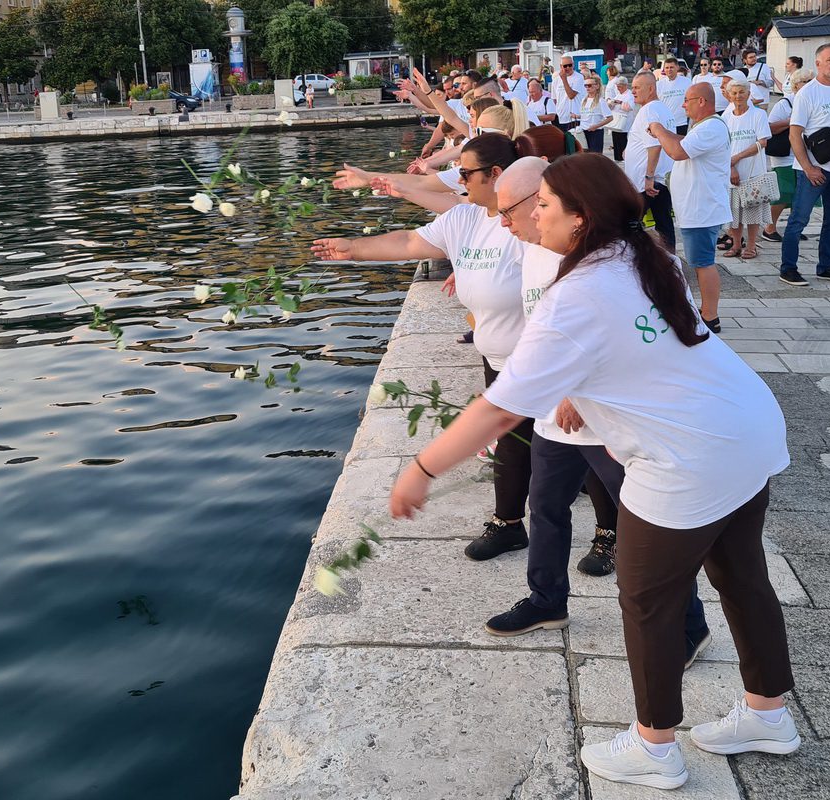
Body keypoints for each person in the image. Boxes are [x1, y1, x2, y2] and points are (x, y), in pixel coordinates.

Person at [389, 153, 799, 789]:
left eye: (542, 205)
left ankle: (654, 748)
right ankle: (769, 716)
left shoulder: (576, 294)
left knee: (646, 601)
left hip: (690, 459)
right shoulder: (642, 252)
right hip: (745, 428)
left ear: (580, 218)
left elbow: (500, 411)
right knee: (743, 577)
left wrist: (420, 467)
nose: (529, 217)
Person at [484, 157, 712, 653]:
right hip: (554, 421)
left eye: (515, 209)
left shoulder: (611, 261)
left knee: (643, 525)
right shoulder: (533, 247)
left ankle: (688, 625)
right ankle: (547, 600)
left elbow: (646, 339)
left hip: (609, 423)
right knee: (545, 507)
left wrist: (578, 393)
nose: (502, 221)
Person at [313, 135, 535, 560]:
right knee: (513, 443)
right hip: (497, 356)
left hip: (541, 359)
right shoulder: (465, 218)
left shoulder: (529, 223)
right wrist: (353, 250)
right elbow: (410, 243)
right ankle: (508, 524)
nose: (458, 183)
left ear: (495, 174)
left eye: (464, 174)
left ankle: (607, 531)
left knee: (577, 449)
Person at [650, 82, 732, 332]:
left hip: (702, 208)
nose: (683, 105)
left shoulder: (711, 128)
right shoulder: (704, 128)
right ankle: (706, 310)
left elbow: (677, 151)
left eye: (687, 100)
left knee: (703, 262)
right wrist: (663, 133)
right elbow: (684, 141)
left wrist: (658, 128)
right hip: (697, 207)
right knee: (700, 261)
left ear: (702, 102)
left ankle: (710, 316)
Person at [780, 42, 830, 287]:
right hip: (813, 169)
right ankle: (788, 268)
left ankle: (826, 266)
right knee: (798, 220)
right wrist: (809, 167)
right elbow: (795, 134)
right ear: (818, 63)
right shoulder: (807, 93)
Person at [625, 72, 677, 251]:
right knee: (663, 221)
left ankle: (635, 260)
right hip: (658, 178)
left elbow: (655, 145)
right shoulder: (661, 108)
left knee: (629, 223)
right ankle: (669, 260)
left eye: (637, 87)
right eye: (632, 88)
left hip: (647, 181)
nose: (633, 91)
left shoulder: (649, 110)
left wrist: (649, 176)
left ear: (651, 88)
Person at [722, 80, 771, 260]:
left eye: (742, 92)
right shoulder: (725, 118)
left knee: (752, 211)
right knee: (734, 211)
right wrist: (731, 166)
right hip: (731, 172)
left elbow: (762, 142)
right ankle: (736, 244)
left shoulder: (758, 115)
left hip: (753, 171)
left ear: (748, 94)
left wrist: (737, 158)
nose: (738, 96)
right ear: (728, 95)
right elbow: (722, 146)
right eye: (734, 93)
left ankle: (751, 246)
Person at [763, 67, 813, 243]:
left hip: (806, 154)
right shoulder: (785, 104)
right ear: (795, 85)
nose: (808, 85)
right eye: (804, 82)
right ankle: (769, 228)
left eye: (810, 81)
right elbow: (769, 127)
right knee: (784, 193)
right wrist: (791, 122)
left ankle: (795, 228)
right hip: (785, 155)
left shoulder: (811, 101)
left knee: (801, 194)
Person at [575, 75, 612, 155]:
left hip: (596, 132)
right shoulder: (584, 100)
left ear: (597, 86)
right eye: (585, 86)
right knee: (585, 156)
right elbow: (585, 114)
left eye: (590, 85)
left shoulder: (601, 101)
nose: (587, 88)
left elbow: (610, 118)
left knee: (595, 156)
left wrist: (596, 126)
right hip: (583, 131)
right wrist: (577, 116)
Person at [657, 57, 692, 134]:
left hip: (682, 122)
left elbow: (692, 100)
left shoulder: (687, 82)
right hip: (665, 123)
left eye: (672, 67)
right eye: (667, 68)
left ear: (677, 68)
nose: (669, 69)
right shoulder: (659, 85)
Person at [553, 55, 587, 131]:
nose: (568, 68)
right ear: (561, 66)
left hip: (574, 116)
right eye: (565, 66)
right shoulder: (556, 80)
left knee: (573, 141)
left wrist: (564, 79)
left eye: (570, 65)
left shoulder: (579, 77)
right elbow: (554, 99)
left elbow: (571, 95)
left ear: (573, 65)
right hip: (561, 116)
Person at [606, 75, 636, 161]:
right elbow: (611, 107)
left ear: (625, 85)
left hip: (624, 123)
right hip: (616, 122)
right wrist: (611, 103)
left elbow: (630, 107)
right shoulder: (618, 94)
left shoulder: (629, 95)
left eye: (620, 86)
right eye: (617, 86)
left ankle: (623, 159)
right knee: (615, 140)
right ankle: (617, 158)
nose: (618, 88)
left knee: (622, 141)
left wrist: (620, 103)